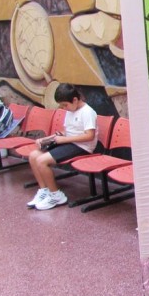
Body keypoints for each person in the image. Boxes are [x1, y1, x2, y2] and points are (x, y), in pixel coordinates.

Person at [27, 83, 99, 211]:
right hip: (69, 142)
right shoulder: (71, 110)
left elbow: (89, 136)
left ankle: (56, 195)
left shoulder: (88, 112)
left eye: (65, 105)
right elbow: (67, 131)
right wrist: (46, 139)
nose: (64, 108)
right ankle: (44, 190)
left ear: (75, 100)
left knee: (41, 161)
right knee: (33, 156)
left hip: (82, 147)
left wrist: (65, 139)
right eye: (62, 106)